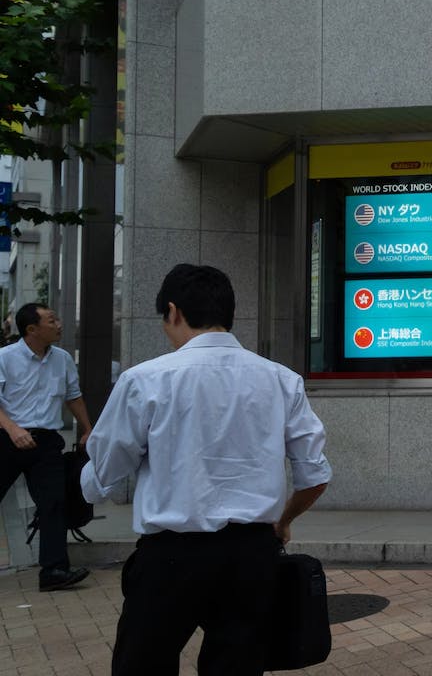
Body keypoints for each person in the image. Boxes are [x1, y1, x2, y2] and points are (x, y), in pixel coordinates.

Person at [80, 264, 333, 676]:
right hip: (252, 555)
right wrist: (283, 521)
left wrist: (86, 489)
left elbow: (106, 469)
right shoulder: (282, 380)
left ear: (174, 311)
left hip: (171, 556)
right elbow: (315, 475)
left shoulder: (145, 380)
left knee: (142, 665)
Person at [0, 303, 93, 591]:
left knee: (54, 503)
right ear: (32, 330)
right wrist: (13, 429)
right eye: (52, 320)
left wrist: (88, 429)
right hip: (7, 438)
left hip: (47, 442)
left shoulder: (62, 359)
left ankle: (53, 571)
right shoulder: (5, 357)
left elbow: (73, 397)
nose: (59, 324)